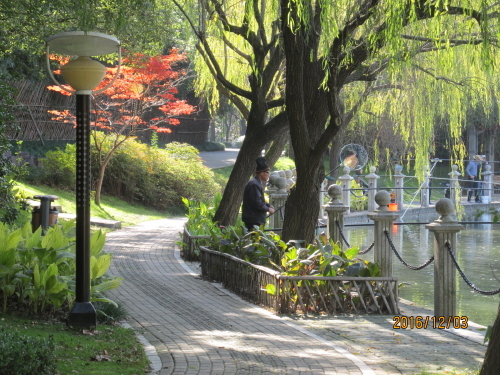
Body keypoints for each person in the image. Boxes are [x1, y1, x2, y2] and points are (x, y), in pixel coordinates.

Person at [242, 157, 275, 231]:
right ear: (262, 173)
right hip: (254, 220)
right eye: (268, 173)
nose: (268, 175)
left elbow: (258, 199)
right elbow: (257, 203)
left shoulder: (256, 182)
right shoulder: (254, 184)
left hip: (256, 219)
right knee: (256, 240)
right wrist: (268, 209)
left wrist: (268, 205)